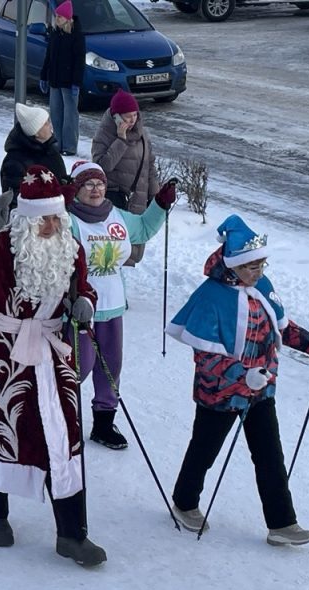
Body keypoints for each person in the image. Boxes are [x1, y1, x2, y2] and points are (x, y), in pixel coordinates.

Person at [0, 165, 106, 567]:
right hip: (3, 356)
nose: (51, 226)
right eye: (43, 219)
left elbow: (83, 286)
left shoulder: (70, 247)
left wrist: (85, 302)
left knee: (65, 440)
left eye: (56, 217)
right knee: (2, 433)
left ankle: (72, 534)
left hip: (53, 355)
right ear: (25, 220)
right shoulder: (1, 247)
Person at [166, 214, 309, 546]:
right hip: (220, 393)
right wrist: (243, 375)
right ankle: (184, 503)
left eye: (261, 265)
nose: (258, 273)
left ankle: (282, 524)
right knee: (204, 451)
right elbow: (207, 357)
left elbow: (283, 327)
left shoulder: (262, 287)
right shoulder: (211, 296)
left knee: (270, 455)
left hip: (261, 390)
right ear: (234, 265)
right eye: (251, 267)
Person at [67, 161, 174, 450]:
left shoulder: (116, 215)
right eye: (88, 184)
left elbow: (144, 229)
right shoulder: (68, 219)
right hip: (80, 307)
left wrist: (160, 204)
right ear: (76, 189)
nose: (96, 190)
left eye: (100, 184)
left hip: (112, 304)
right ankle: (61, 418)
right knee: (79, 366)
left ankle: (103, 423)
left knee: (111, 366)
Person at [91, 89, 159, 266]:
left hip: (137, 199)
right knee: (112, 251)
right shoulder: (104, 134)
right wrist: (121, 140)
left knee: (132, 248)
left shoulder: (142, 134)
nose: (132, 120)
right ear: (116, 117)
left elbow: (149, 165)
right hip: (115, 200)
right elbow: (101, 167)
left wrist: (157, 197)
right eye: (127, 116)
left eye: (135, 115)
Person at [39, 0, 84, 157]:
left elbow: (79, 61)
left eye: (59, 17)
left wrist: (76, 83)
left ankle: (70, 146)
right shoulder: (55, 34)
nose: (56, 19)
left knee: (70, 115)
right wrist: (44, 76)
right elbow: (48, 57)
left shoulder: (76, 36)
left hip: (69, 82)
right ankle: (57, 143)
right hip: (55, 80)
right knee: (56, 113)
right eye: (56, 16)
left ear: (67, 18)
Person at [0, 103, 67, 202]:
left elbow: (61, 179)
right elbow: (13, 199)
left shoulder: (50, 149)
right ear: (36, 132)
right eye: (46, 123)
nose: (50, 126)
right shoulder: (14, 162)